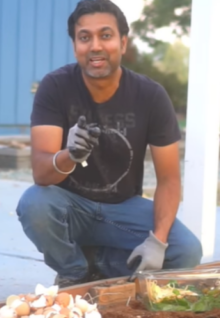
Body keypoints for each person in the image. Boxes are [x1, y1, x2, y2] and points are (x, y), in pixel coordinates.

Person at [15, 0, 202, 288]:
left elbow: (168, 180)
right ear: (75, 44)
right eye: (84, 37)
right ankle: (74, 272)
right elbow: (41, 173)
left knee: (186, 251)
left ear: (123, 43)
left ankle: (98, 263)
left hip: (122, 209)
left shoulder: (150, 96)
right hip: (70, 208)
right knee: (34, 204)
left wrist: (158, 241)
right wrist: (70, 155)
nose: (95, 46)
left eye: (105, 35)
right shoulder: (55, 87)